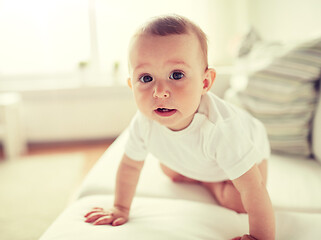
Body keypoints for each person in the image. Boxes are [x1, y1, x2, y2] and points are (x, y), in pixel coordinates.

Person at [84, 14, 275, 240]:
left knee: (237, 201)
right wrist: (120, 208)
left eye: (176, 75)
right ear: (131, 85)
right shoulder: (143, 122)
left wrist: (260, 237)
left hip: (252, 149)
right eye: (146, 78)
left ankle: (209, 184)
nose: (160, 91)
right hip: (207, 158)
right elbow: (130, 166)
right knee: (168, 169)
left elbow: (253, 189)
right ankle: (203, 176)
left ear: (205, 83)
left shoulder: (220, 130)